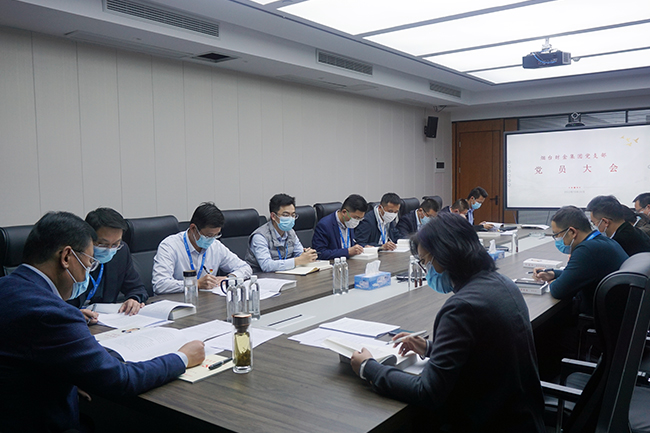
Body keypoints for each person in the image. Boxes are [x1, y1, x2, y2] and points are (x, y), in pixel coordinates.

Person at [0, 212, 205, 432]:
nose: (88, 273)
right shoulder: (53, 314)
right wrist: (182, 357)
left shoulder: (6, 286)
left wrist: (72, 374)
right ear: (66, 257)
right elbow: (121, 380)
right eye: (89, 263)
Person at [349, 213, 545, 432]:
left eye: (425, 262)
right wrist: (430, 348)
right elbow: (484, 352)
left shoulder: (461, 307)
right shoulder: (503, 284)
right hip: (522, 419)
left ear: (444, 256)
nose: (426, 270)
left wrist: (369, 367)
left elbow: (428, 392)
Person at [534, 206, 628, 316]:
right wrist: (554, 274)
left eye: (557, 235)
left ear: (572, 232)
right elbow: (580, 273)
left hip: (600, 317)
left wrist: (552, 283)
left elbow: (558, 290)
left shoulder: (586, 251)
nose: (557, 239)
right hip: (619, 312)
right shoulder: (603, 241)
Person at [67, 208, 149, 323]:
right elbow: (54, 301)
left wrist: (133, 299)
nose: (109, 249)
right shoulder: (72, 257)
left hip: (105, 322)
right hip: (73, 322)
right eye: (102, 244)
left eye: (115, 244)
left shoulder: (121, 252)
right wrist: (72, 314)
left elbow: (137, 288)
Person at [153, 202, 252, 294]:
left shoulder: (215, 246)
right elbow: (160, 284)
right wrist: (195, 283)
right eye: (208, 235)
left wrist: (229, 278)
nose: (212, 239)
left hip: (207, 301)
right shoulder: (169, 246)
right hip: (178, 301)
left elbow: (245, 268)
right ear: (193, 228)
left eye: (216, 235)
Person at [245, 193, 317, 272]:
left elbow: (299, 254)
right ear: (273, 216)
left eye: (293, 215)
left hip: (285, 274)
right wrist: (297, 261)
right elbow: (266, 265)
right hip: (261, 276)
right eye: (286, 215)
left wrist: (307, 255)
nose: (290, 219)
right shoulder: (260, 236)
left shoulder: (290, 232)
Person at [311, 194, 367, 260]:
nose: (357, 221)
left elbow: (353, 244)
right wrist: (347, 252)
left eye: (360, 218)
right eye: (356, 218)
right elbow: (320, 253)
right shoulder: (324, 225)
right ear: (344, 212)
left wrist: (363, 247)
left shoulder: (349, 223)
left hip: (350, 262)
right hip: (334, 264)